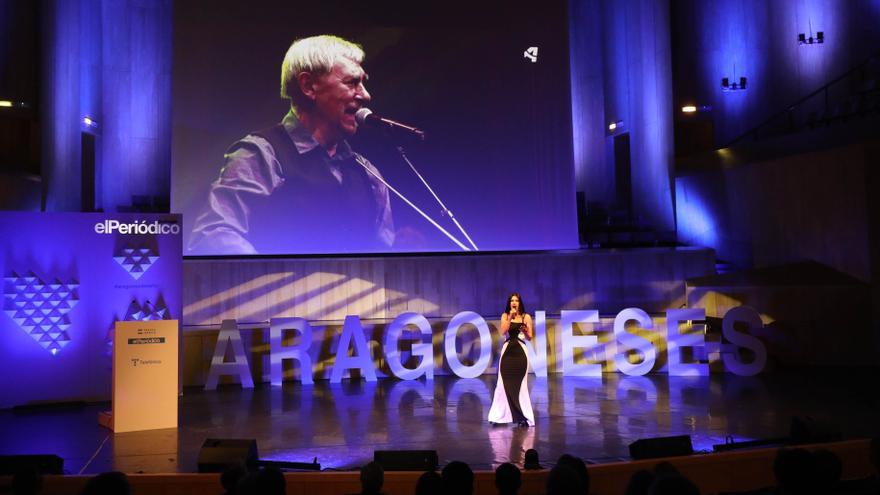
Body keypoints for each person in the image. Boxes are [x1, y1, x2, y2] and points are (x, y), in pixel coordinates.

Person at [189, 35, 394, 255]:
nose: (365, 95)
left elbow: (384, 255)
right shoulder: (262, 154)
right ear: (308, 86)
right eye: (352, 82)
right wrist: (275, 283)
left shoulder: (368, 173)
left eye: (363, 83)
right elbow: (213, 234)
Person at [487, 292, 535, 427]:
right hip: (508, 352)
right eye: (512, 300)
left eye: (516, 300)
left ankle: (523, 417)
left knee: (521, 386)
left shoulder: (526, 317)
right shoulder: (505, 315)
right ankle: (499, 416)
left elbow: (530, 336)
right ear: (509, 303)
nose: (514, 303)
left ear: (520, 303)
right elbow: (503, 331)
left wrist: (525, 330)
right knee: (502, 384)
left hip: (520, 352)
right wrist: (510, 318)